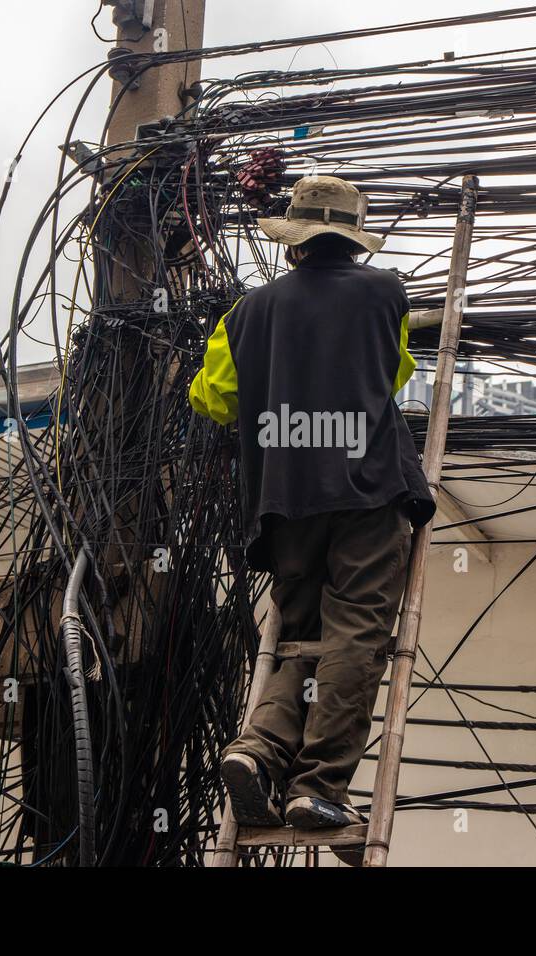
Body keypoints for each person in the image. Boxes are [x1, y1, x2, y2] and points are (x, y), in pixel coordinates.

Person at [189, 175, 435, 831]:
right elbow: (395, 373)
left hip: (283, 501)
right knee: (355, 635)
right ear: (354, 244)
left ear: (293, 243)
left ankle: (259, 748)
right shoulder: (385, 293)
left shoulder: (245, 314)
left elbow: (210, 399)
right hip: (367, 489)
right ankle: (319, 783)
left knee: (300, 642)